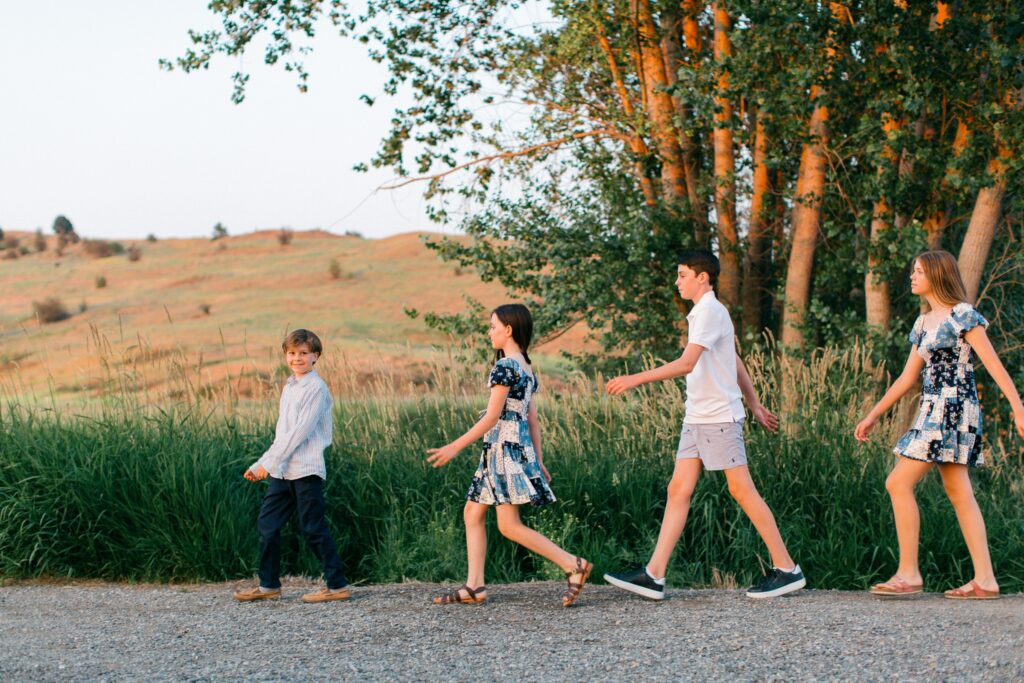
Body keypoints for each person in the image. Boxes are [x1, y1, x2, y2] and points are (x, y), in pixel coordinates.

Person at [603, 250, 804, 600]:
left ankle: (787, 568)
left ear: (702, 278)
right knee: (677, 490)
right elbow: (733, 358)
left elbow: (686, 364)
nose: (677, 281)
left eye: (682, 275)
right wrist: (755, 403)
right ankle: (654, 574)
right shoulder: (702, 314)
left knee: (742, 490)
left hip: (717, 418)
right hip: (697, 416)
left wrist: (634, 378)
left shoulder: (710, 310)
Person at [855, 250, 1024, 599]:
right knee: (959, 492)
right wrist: (873, 415)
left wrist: (1018, 407)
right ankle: (985, 580)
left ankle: (909, 573)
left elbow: (993, 366)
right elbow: (906, 378)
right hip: (932, 407)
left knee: (897, 482)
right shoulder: (923, 323)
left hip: (955, 408)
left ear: (937, 274)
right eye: (912, 271)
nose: (912, 277)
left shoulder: (963, 315)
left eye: (918, 271)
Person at [427, 303, 592, 607]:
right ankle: (474, 586)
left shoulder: (505, 367)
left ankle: (573, 564)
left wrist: (454, 446)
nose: (489, 332)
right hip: (514, 447)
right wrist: (538, 460)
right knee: (472, 512)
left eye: (492, 326)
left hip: (502, 448)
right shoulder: (525, 367)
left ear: (508, 329)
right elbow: (532, 419)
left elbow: (492, 417)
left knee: (508, 525)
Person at [233, 329, 350, 603]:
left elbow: (300, 433)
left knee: (312, 528)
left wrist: (269, 463)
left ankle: (337, 587)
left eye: (303, 353)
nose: (297, 358)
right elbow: (282, 434)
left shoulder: (316, 389)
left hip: (306, 470)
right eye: (292, 353)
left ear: (315, 357)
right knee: (267, 525)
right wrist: (262, 463)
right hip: (282, 470)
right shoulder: (290, 387)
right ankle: (268, 586)